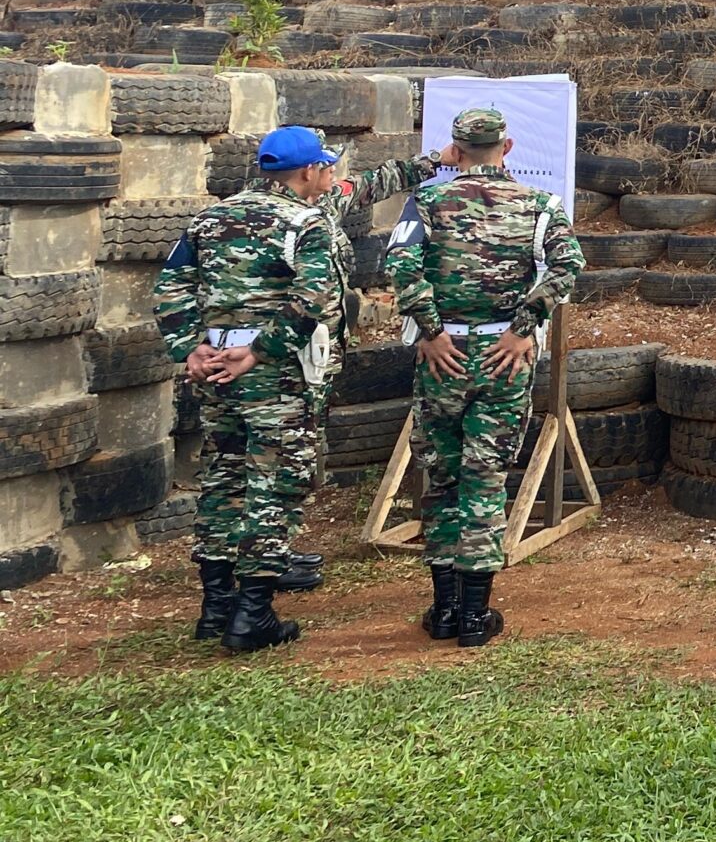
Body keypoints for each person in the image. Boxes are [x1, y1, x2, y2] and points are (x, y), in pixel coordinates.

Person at [384, 107, 584, 649]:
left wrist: (428, 329)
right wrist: (525, 327)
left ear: (455, 148)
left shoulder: (426, 200)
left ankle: (444, 608)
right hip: (502, 353)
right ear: (507, 146)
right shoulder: (541, 205)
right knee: (485, 477)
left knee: (443, 475)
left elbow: (400, 265)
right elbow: (567, 266)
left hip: (441, 351)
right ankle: (475, 615)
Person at [154, 126, 345, 653]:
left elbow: (169, 286)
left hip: (214, 363)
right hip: (271, 371)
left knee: (223, 476)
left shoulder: (209, 218)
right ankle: (252, 614)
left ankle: (215, 606)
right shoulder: (305, 222)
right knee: (274, 484)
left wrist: (188, 348)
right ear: (308, 171)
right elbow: (313, 295)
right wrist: (261, 352)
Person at [281, 143, 444, 594]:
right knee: (275, 461)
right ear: (307, 171)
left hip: (309, 360)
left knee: (291, 457)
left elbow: (373, 184)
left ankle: (267, 554)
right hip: (280, 359)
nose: (335, 172)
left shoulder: (324, 201)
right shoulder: (269, 217)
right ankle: (259, 566)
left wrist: (434, 160)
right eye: (326, 165)